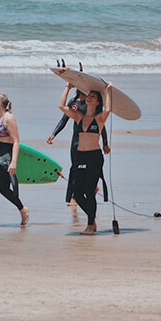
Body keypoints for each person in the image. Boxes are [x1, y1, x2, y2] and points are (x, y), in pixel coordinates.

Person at [57, 75, 113, 235]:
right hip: (79, 157)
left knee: (89, 191)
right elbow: (61, 106)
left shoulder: (99, 118)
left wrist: (108, 91)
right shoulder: (79, 117)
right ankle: (91, 218)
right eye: (88, 96)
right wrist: (67, 88)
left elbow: (108, 110)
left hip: (94, 157)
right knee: (77, 193)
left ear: (97, 102)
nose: (89, 98)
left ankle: (90, 225)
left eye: (93, 97)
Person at [0, 93, 29, 227]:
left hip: (3, 156)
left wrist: (13, 161)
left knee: (4, 189)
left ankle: (22, 209)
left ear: (0, 103)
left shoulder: (9, 118)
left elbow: (16, 141)